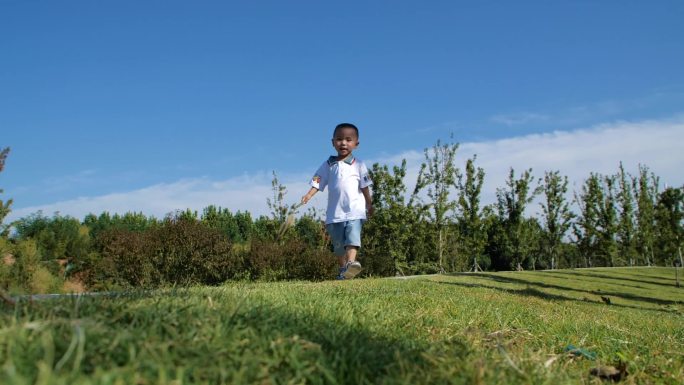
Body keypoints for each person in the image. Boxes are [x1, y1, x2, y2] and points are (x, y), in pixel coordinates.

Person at [301, 123, 373, 280]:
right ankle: (342, 268)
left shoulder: (359, 164)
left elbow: (365, 186)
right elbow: (318, 181)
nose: (343, 143)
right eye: (339, 139)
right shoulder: (328, 165)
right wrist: (308, 195)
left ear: (356, 144)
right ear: (333, 142)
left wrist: (369, 203)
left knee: (353, 238)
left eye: (348, 140)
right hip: (335, 213)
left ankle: (351, 263)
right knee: (339, 246)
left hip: (355, 210)